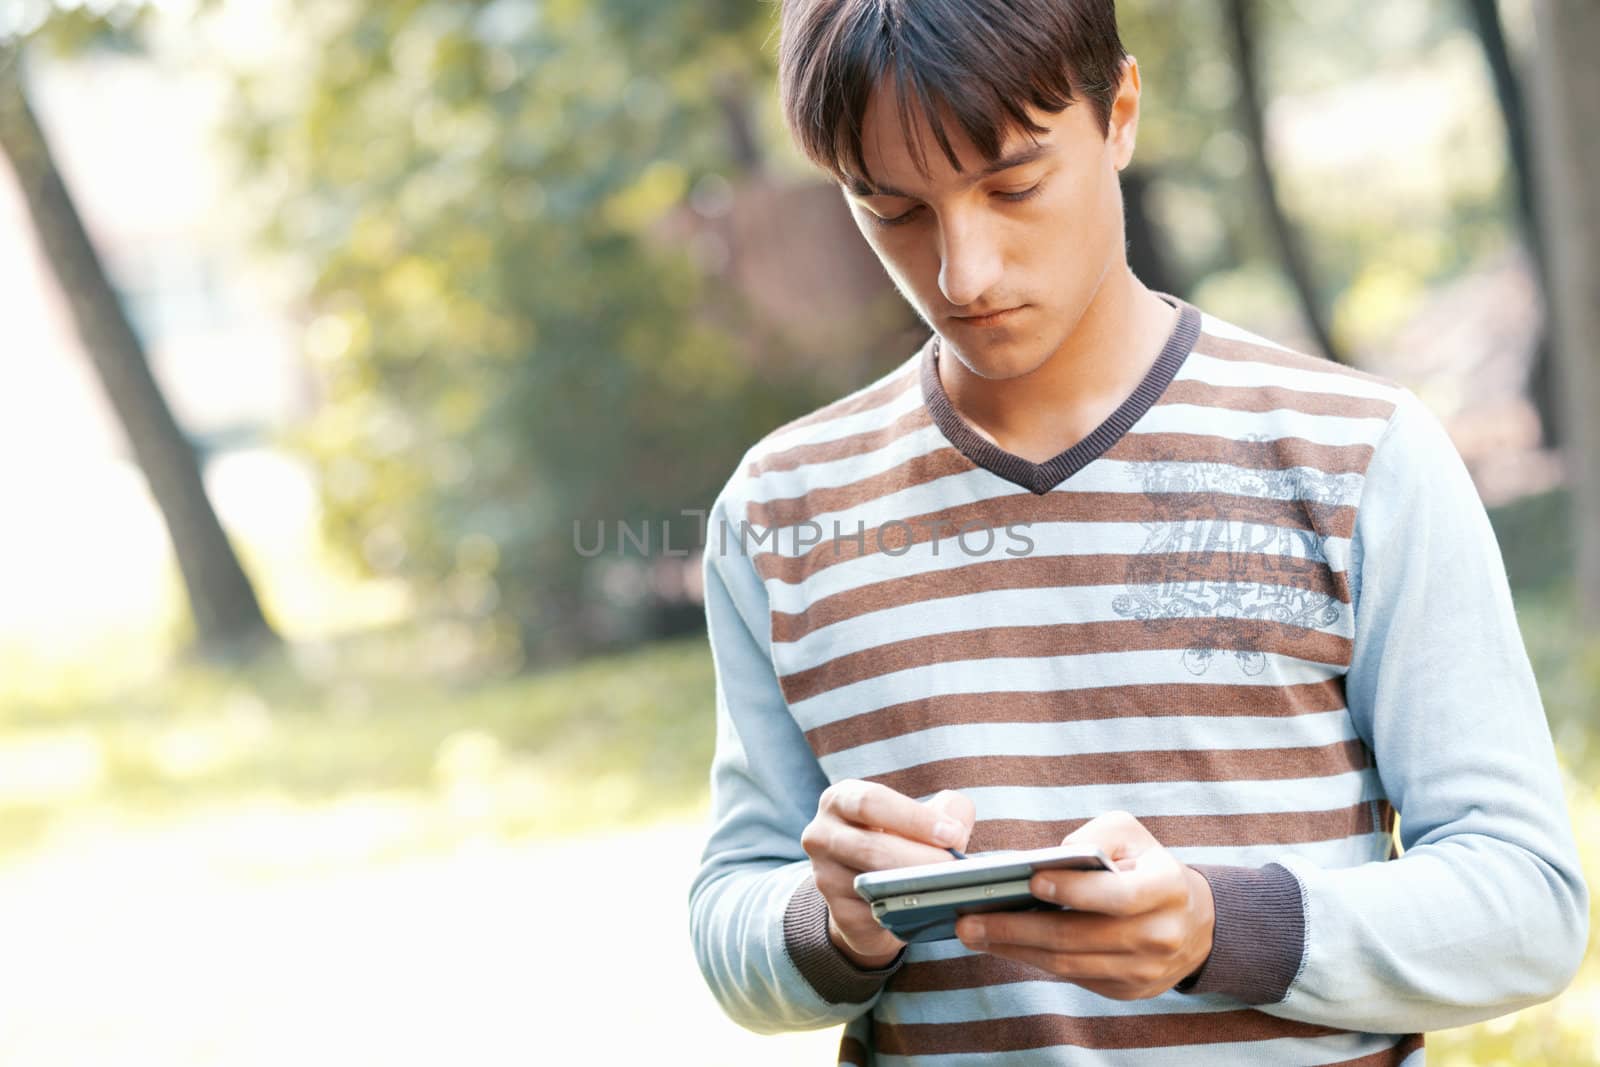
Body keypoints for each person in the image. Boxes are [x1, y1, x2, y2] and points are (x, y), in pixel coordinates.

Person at [687, 1, 1589, 1063]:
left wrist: (1221, 927)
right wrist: (831, 920)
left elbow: (1526, 903)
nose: (963, 272)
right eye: (892, 210)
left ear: (1118, 110)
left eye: (1013, 185)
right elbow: (731, 914)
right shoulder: (778, 510)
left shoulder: (1357, 455)